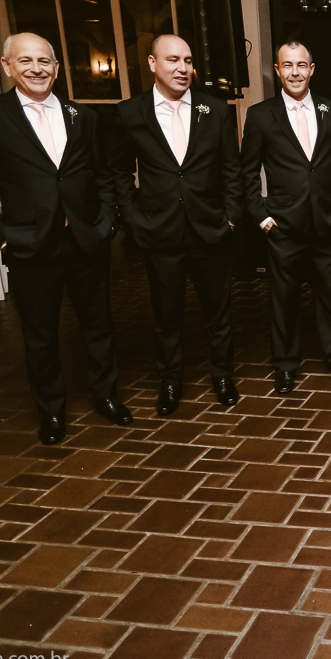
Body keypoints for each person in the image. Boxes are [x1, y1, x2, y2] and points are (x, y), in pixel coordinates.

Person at [0, 32, 130, 444]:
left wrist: (106, 222)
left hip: (85, 240)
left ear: (56, 68)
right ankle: (52, 411)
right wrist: (0, 237)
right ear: (7, 66)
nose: (36, 69)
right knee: (40, 335)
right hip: (29, 243)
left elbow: (102, 174)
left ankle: (106, 396)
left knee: (99, 325)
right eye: (25, 61)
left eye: (44, 61)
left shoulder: (82, 116)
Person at [112, 34, 243, 416]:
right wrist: (134, 218)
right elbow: (118, 171)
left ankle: (223, 375)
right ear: (153, 64)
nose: (182, 68)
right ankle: (170, 381)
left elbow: (231, 169)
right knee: (166, 316)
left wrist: (230, 217)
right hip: (160, 232)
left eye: (187, 60)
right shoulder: (130, 113)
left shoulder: (214, 109)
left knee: (219, 312)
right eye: (173, 60)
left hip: (211, 229)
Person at [241, 41, 331, 392]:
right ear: (277, 71)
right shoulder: (261, 115)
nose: (294, 72)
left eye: (301, 65)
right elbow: (246, 173)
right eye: (287, 65)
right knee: (283, 299)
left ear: (311, 70)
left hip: (328, 222)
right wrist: (261, 216)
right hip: (283, 226)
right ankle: (284, 364)